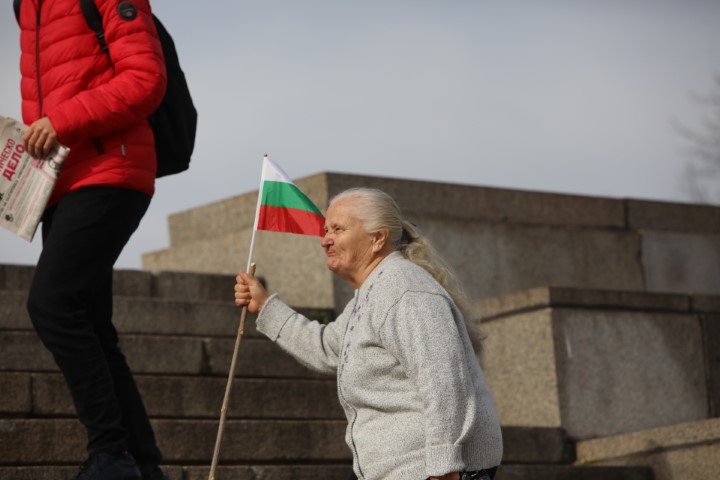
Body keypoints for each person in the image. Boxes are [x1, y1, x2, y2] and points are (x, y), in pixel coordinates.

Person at [235, 188, 503, 480]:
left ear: (378, 238)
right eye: (326, 230)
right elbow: (328, 348)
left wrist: (443, 466)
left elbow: (443, 380)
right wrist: (264, 307)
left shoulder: (404, 288)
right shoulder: (374, 290)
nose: (325, 240)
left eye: (338, 229)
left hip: (431, 472)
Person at [17, 1, 169, 479]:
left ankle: (110, 454)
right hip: (58, 184)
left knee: (53, 305)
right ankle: (140, 463)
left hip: (110, 170)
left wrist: (60, 122)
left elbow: (146, 79)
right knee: (91, 324)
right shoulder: (25, 7)